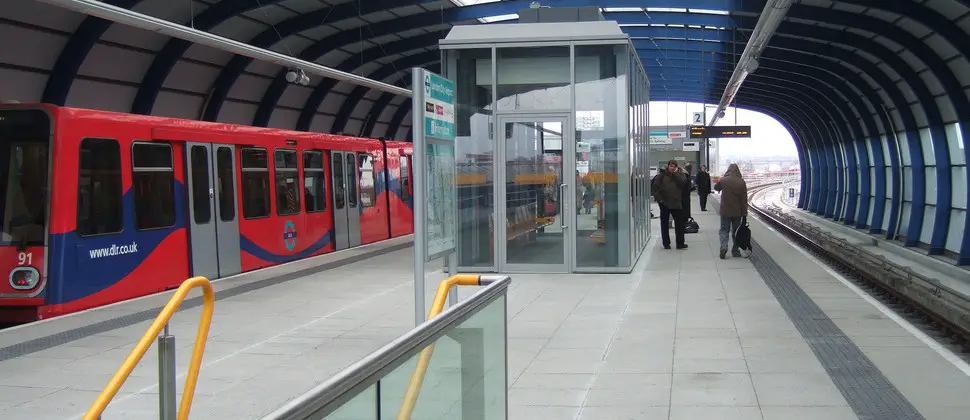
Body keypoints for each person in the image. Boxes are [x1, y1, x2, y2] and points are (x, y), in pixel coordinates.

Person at [652, 160, 689, 250]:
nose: (672, 168)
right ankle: (666, 243)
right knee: (664, 224)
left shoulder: (680, 175)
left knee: (679, 224)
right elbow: (654, 187)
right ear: (668, 166)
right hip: (664, 203)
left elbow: (682, 183)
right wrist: (659, 200)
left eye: (674, 166)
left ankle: (680, 243)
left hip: (676, 203)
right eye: (671, 166)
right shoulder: (661, 176)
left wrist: (675, 174)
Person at [713, 163, 748, 259]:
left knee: (724, 230)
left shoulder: (724, 180)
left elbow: (716, 188)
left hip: (725, 211)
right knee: (736, 232)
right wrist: (744, 213)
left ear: (728, 170)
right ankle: (735, 250)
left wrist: (721, 181)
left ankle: (724, 247)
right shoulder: (741, 182)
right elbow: (744, 199)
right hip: (737, 212)